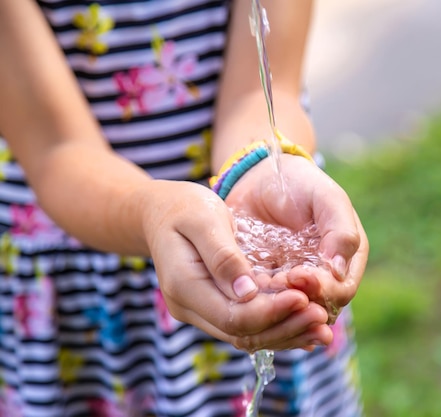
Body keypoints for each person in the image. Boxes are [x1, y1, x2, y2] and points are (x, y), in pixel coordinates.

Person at [0, 0, 368, 416]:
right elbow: (57, 150)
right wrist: (151, 213)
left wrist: (262, 167)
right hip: (87, 283)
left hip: (249, 263)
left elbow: (266, 90)